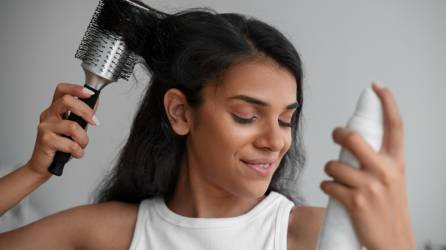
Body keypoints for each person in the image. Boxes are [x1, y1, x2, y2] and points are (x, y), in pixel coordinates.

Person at [0, 0, 415, 249]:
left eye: (287, 120)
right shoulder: (110, 233)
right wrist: (33, 173)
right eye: (246, 116)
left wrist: (395, 241)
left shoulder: (312, 235)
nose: (275, 141)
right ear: (180, 112)